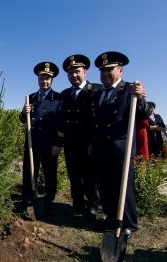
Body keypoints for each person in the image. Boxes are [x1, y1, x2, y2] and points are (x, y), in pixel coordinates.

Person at [90, 51, 149, 240]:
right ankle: (110, 218)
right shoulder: (98, 93)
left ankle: (128, 224)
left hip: (120, 149)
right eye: (102, 71)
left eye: (110, 70)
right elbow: (95, 121)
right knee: (105, 186)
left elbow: (143, 114)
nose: (106, 74)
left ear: (120, 70)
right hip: (101, 147)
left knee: (123, 187)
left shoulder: (129, 89)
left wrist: (140, 99)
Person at [58, 54, 102, 219]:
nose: (74, 75)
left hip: (89, 143)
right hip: (71, 142)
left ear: (85, 72)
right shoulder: (65, 94)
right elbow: (61, 119)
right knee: (74, 175)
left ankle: (93, 206)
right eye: (71, 73)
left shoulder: (96, 90)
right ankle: (77, 205)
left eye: (77, 71)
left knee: (90, 176)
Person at [19, 61, 62, 217]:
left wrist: (58, 143)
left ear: (51, 80)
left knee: (50, 175)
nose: (44, 81)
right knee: (29, 175)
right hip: (32, 144)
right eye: (42, 78)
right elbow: (22, 120)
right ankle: (29, 204)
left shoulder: (58, 99)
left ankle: (48, 203)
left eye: (47, 78)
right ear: (38, 79)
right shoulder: (30, 98)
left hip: (50, 145)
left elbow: (61, 123)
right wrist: (24, 112)